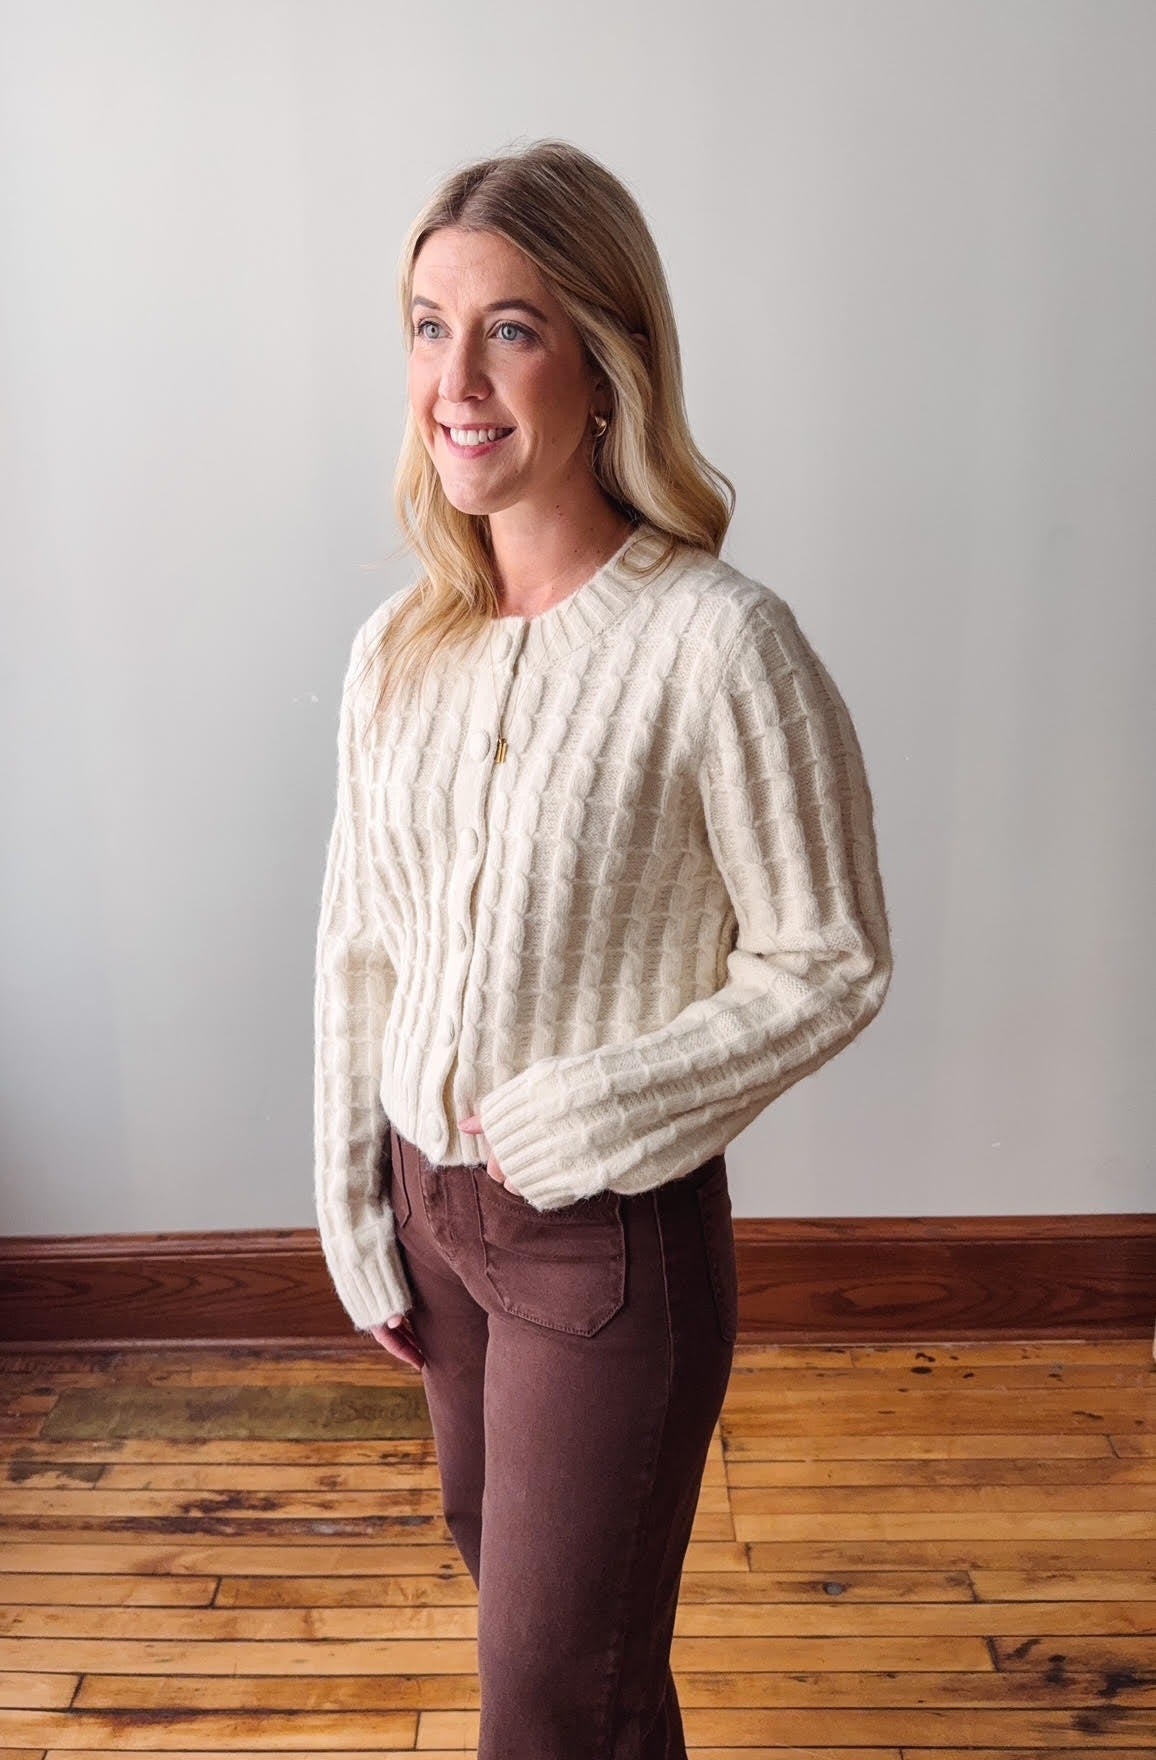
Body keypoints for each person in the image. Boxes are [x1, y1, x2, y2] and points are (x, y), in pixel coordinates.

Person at [313, 137, 893, 1760]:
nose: (456, 381)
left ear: (606, 360)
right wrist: (354, 1200)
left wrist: (595, 1109)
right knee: (584, 1673)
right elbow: (360, 945)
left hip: (604, 1240)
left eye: (510, 329)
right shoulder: (397, 649)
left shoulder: (720, 645)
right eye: (429, 326)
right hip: (435, 1224)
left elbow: (832, 955)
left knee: (549, 1698)